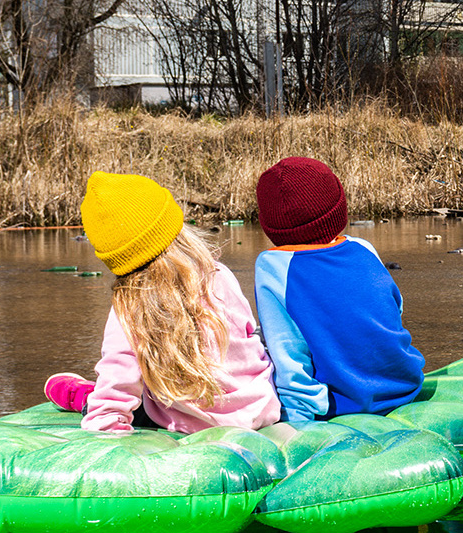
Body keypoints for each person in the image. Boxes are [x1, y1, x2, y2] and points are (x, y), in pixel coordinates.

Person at [42, 172, 282, 434]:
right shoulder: (219, 274)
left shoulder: (130, 304)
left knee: (130, 394)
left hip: (191, 424)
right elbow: (250, 340)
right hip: (261, 409)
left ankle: (80, 396)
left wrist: (105, 421)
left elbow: (119, 378)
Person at [250, 156, 426, 423]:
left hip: (345, 407)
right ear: (339, 210)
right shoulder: (363, 248)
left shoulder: (272, 266)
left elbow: (289, 353)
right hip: (407, 386)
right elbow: (394, 310)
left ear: (270, 225)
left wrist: (297, 424)